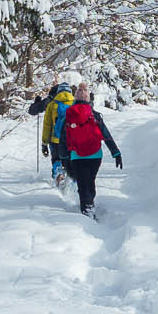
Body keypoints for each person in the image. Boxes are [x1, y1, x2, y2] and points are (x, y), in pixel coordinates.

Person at [59, 86, 122, 217]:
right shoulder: (95, 115)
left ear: (75, 98)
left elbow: (63, 139)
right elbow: (106, 134)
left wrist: (64, 157)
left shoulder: (69, 116)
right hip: (95, 155)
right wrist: (115, 152)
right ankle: (89, 205)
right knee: (90, 181)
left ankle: (86, 210)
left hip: (77, 156)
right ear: (88, 99)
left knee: (82, 183)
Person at [40, 82, 74, 185]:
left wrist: (44, 143)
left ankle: (59, 173)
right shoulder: (75, 103)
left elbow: (47, 125)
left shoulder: (52, 105)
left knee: (56, 159)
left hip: (55, 140)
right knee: (70, 161)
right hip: (71, 140)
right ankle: (71, 179)